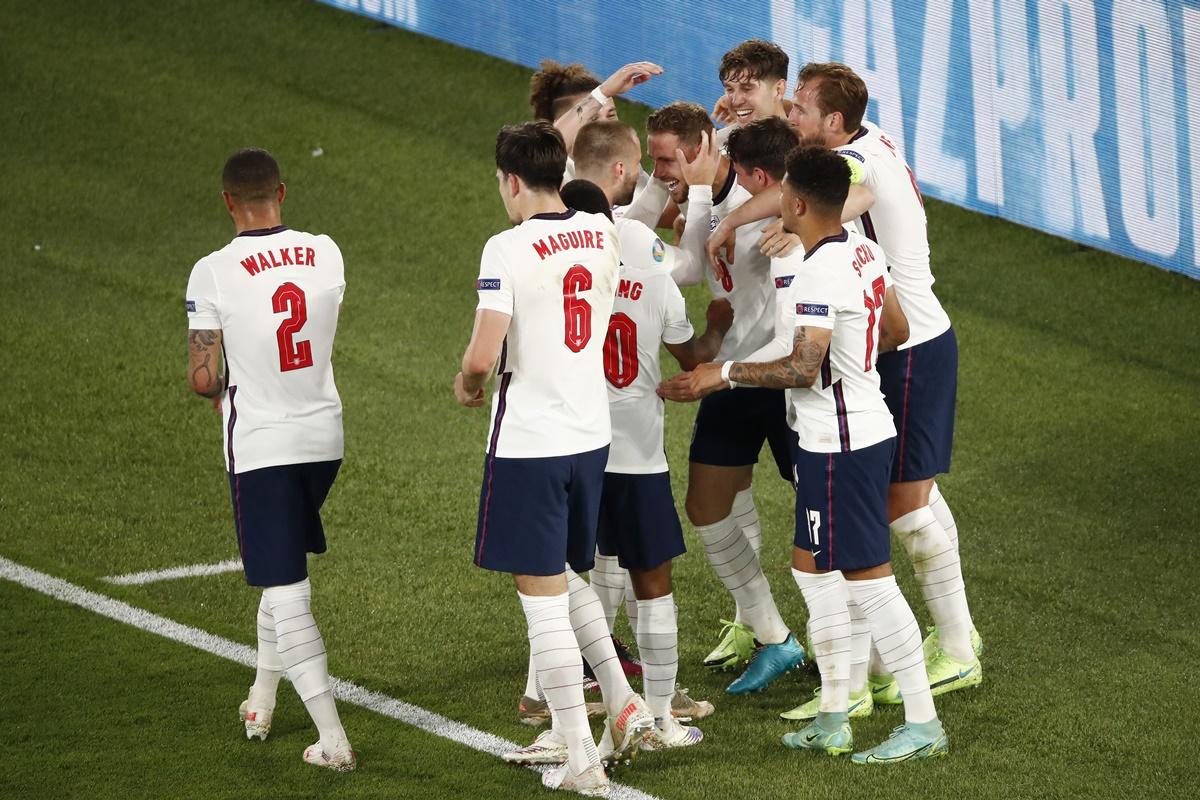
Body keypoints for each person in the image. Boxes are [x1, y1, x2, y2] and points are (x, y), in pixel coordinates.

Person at [661, 144, 950, 764]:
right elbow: (896, 330)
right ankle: (834, 714)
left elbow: (800, 366)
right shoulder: (862, 251)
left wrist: (724, 373)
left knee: (870, 581)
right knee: (809, 570)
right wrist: (854, 358)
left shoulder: (820, 271)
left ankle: (922, 721)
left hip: (840, 444)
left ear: (795, 202)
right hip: (850, 433)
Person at [709, 63, 983, 701]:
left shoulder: (856, 163)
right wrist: (738, 219)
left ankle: (955, 649)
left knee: (903, 509)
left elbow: (850, 195)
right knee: (905, 503)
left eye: (801, 107)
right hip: (894, 339)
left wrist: (797, 221)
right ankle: (916, 650)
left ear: (834, 122)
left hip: (909, 346)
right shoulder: (867, 137)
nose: (792, 117)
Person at [455, 121, 653, 796]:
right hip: (589, 436)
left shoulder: (506, 247)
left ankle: (580, 758)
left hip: (530, 443)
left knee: (541, 599)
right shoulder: (604, 232)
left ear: (511, 181)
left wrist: (468, 382)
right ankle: (624, 704)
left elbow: (483, 354)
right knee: (568, 578)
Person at [185, 148, 355, 771]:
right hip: (323, 441)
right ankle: (261, 695)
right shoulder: (327, 252)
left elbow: (205, 380)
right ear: (282, 191)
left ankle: (331, 738)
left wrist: (223, 376)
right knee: (277, 567)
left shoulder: (213, 271)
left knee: (286, 588)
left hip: (262, 446)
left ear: (227, 200)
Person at [646, 102, 805, 692]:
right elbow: (703, 277)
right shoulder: (707, 199)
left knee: (823, 520)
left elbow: (686, 269)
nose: (659, 168)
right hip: (731, 374)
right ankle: (772, 636)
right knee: (706, 504)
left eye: (667, 157)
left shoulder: (763, 218)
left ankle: (861, 657)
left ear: (701, 149)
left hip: (779, 376)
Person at [711, 39, 791, 142]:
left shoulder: (806, 149)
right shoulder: (716, 147)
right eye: (730, 89)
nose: (736, 101)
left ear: (778, 89)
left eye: (747, 89)